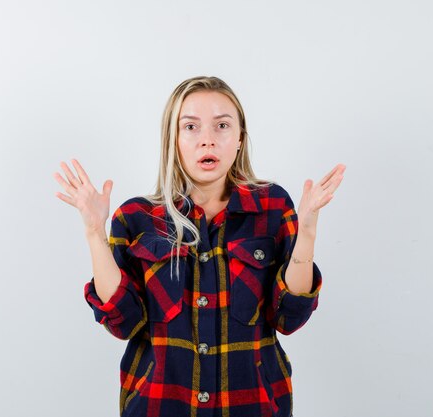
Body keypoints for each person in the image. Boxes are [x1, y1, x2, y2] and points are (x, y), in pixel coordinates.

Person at [53, 76, 346, 417]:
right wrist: (93, 232)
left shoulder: (272, 207)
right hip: (159, 406)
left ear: (239, 139)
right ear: (173, 140)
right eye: (191, 127)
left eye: (222, 125)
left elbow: (289, 317)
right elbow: (123, 323)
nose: (207, 140)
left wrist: (308, 227)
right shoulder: (137, 217)